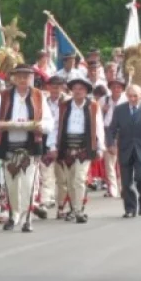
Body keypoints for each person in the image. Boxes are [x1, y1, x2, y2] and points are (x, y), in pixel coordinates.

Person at [0, 64, 54, 233]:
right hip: (8, 148)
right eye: (20, 76)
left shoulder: (38, 96)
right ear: (14, 78)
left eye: (27, 76)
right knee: (11, 186)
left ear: (32, 78)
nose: (23, 79)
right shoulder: (4, 96)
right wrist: (0, 125)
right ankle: (13, 215)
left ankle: (27, 218)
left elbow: (49, 122)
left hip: (29, 149)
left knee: (28, 184)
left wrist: (40, 126)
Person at [47, 74, 104, 224]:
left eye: (81, 89)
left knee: (79, 178)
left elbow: (99, 127)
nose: (78, 91)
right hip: (66, 147)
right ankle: (73, 208)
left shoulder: (93, 106)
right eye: (75, 88)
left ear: (86, 91)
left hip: (84, 147)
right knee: (70, 181)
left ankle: (78, 210)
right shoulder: (63, 106)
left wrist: (100, 148)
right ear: (71, 90)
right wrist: (52, 145)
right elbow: (55, 127)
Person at [106, 84, 141, 218]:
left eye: (135, 96)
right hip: (125, 149)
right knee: (126, 182)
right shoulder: (120, 109)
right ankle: (130, 208)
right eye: (130, 96)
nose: (133, 99)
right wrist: (111, 144)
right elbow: (112, 129)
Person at [34, 75, 67, 218]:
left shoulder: (68, 102)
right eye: (53, 87)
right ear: (48, 87)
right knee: (46, 172)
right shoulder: (43, 101)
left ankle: (62, 206)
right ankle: (44, 202)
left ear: (63, 88)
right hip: (46, 141)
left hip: (64, 142)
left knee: (63, 177)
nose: (55, 90)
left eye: (58, 87)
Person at [101, 78, 127, 198]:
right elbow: (97, 117)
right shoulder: (104, 99)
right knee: (109, 162)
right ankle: (113, 189)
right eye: (114, 87)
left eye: (119, 87)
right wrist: (102, 110)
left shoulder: (126, 100)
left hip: (122, 131)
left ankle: (123, 187)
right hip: (108, 131)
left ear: (122, 89)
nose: (116, 89)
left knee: (122, 162)